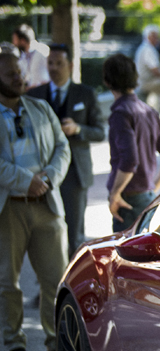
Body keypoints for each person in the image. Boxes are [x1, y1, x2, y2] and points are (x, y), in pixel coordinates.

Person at [0, 52, 70, 351]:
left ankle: (56, 341)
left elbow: (62, 147)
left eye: (19, 71)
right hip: (9, 208)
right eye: (10, 73)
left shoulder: (41, 108)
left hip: (46, 203)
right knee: (7, 281)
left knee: (56, 279)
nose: (19, 78)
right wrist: (24, 181)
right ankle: (15, 341)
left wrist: (49, 177)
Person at [27, 44, 105, 257]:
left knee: (75, 235)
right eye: (50, 63)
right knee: (45, 233)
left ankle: (73, 286)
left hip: (75, 174)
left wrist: (78, 128)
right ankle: (46, 287)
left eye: (59, 63)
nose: (53, 68)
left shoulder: (86, 94)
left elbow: (100, 132)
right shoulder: (34, 95)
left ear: (70, 65)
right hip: (43, 173)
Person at [103, 54, 160, 233]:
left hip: (128, 200)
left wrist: (115, 193)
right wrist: (153, 187)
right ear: (135, 79)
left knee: (127, 256)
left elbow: (129, 160)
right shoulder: (149, 112)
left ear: (107, 82)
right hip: (146, 197)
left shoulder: (120, 114)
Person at [11, 24, 48, 89]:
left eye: (15, 39)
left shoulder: (42, 51)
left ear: (22, 40)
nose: (13, 43)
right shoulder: (22, 56)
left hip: (44, 93)